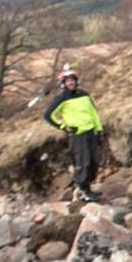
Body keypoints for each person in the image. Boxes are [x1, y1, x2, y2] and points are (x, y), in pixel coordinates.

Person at [42, 65, 103, 202]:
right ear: (63, 83)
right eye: (67, 81)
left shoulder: (84, 94)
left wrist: (98, 129)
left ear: (76, 81)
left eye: (72, 80)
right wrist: (63, 127)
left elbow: (93, 112)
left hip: (90, 132)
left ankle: (88, 188)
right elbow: (48, 115)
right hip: (77, 135)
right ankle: (83, 190)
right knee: (83, 162)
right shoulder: (61, 99)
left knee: (94, 161)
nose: (70, 82)